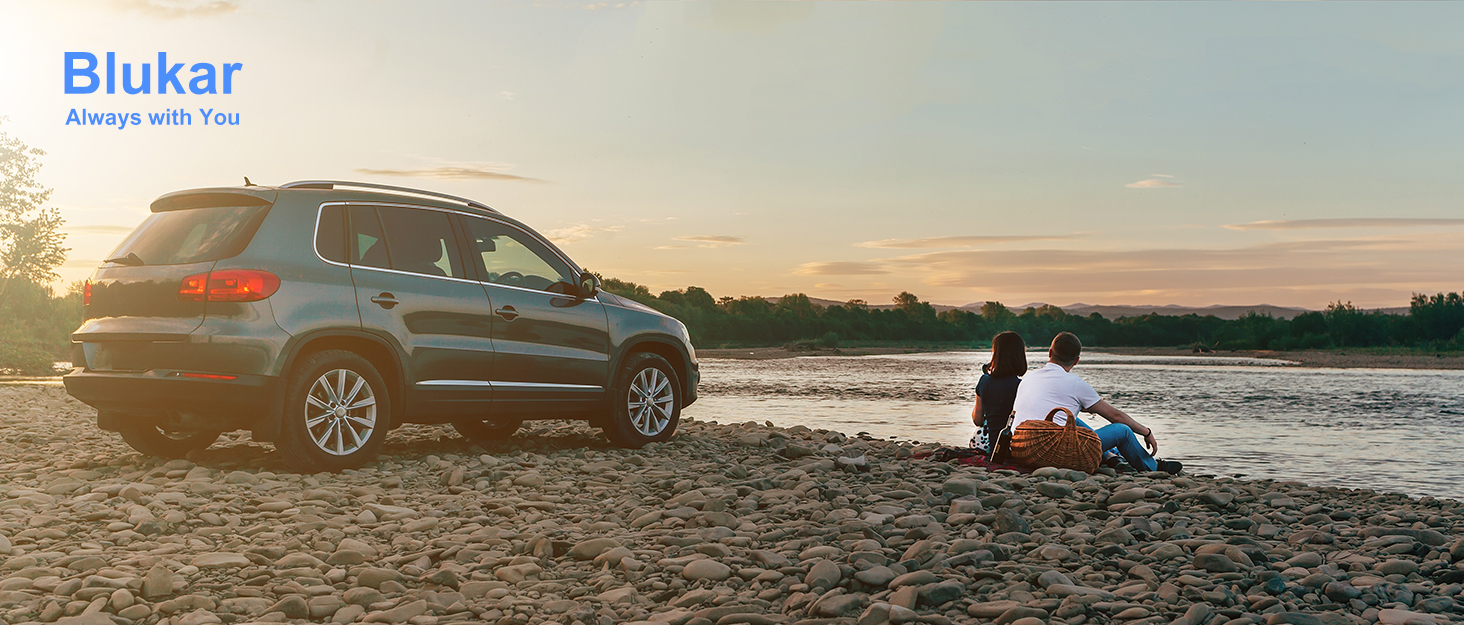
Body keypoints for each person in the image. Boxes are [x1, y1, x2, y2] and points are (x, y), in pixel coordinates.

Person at [1011, 331, 1181, 474]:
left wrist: (1080, 405)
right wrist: (1146, 432)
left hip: (1022, 447)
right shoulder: (1076, 384)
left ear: (1049, 353)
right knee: (1123, 431)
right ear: (1076, 361)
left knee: (1073, 421)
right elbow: (1115, 416)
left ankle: (1109, 455)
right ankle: (1152, 466)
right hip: (1052, 452)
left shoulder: (1029, 377)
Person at [970, 331, 1026, 452]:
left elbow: (977, 420)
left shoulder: (984, 381)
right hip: (1011, 446)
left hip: (985, 445)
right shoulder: (1021, 386)